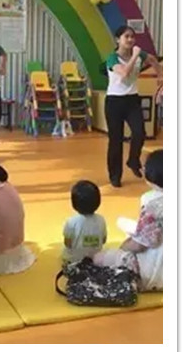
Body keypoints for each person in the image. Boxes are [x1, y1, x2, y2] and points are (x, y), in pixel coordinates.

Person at [94, 149, 163, 292]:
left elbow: (140, 245)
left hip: (153, 274)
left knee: (98, 258)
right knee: (123, 223)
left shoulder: (152, 203)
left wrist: (121, 249)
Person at [104, 25, 163, 188]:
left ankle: (133, 160)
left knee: (139, 132)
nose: (130, 39)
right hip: (114, 102)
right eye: (126, 36)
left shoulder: (140, 54)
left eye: (132, 36)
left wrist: (160, 74)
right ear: (118, 40)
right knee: (115, 141)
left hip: (132, 100)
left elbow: (153, 60)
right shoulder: (112, 58)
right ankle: (115, 175)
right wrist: (136, 55)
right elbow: (124, 73)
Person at [62, 180, 107, 263]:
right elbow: (103, 240)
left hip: (74, 260)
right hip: (95, 258)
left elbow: (67, 243)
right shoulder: (101, 220)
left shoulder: (71, 222)